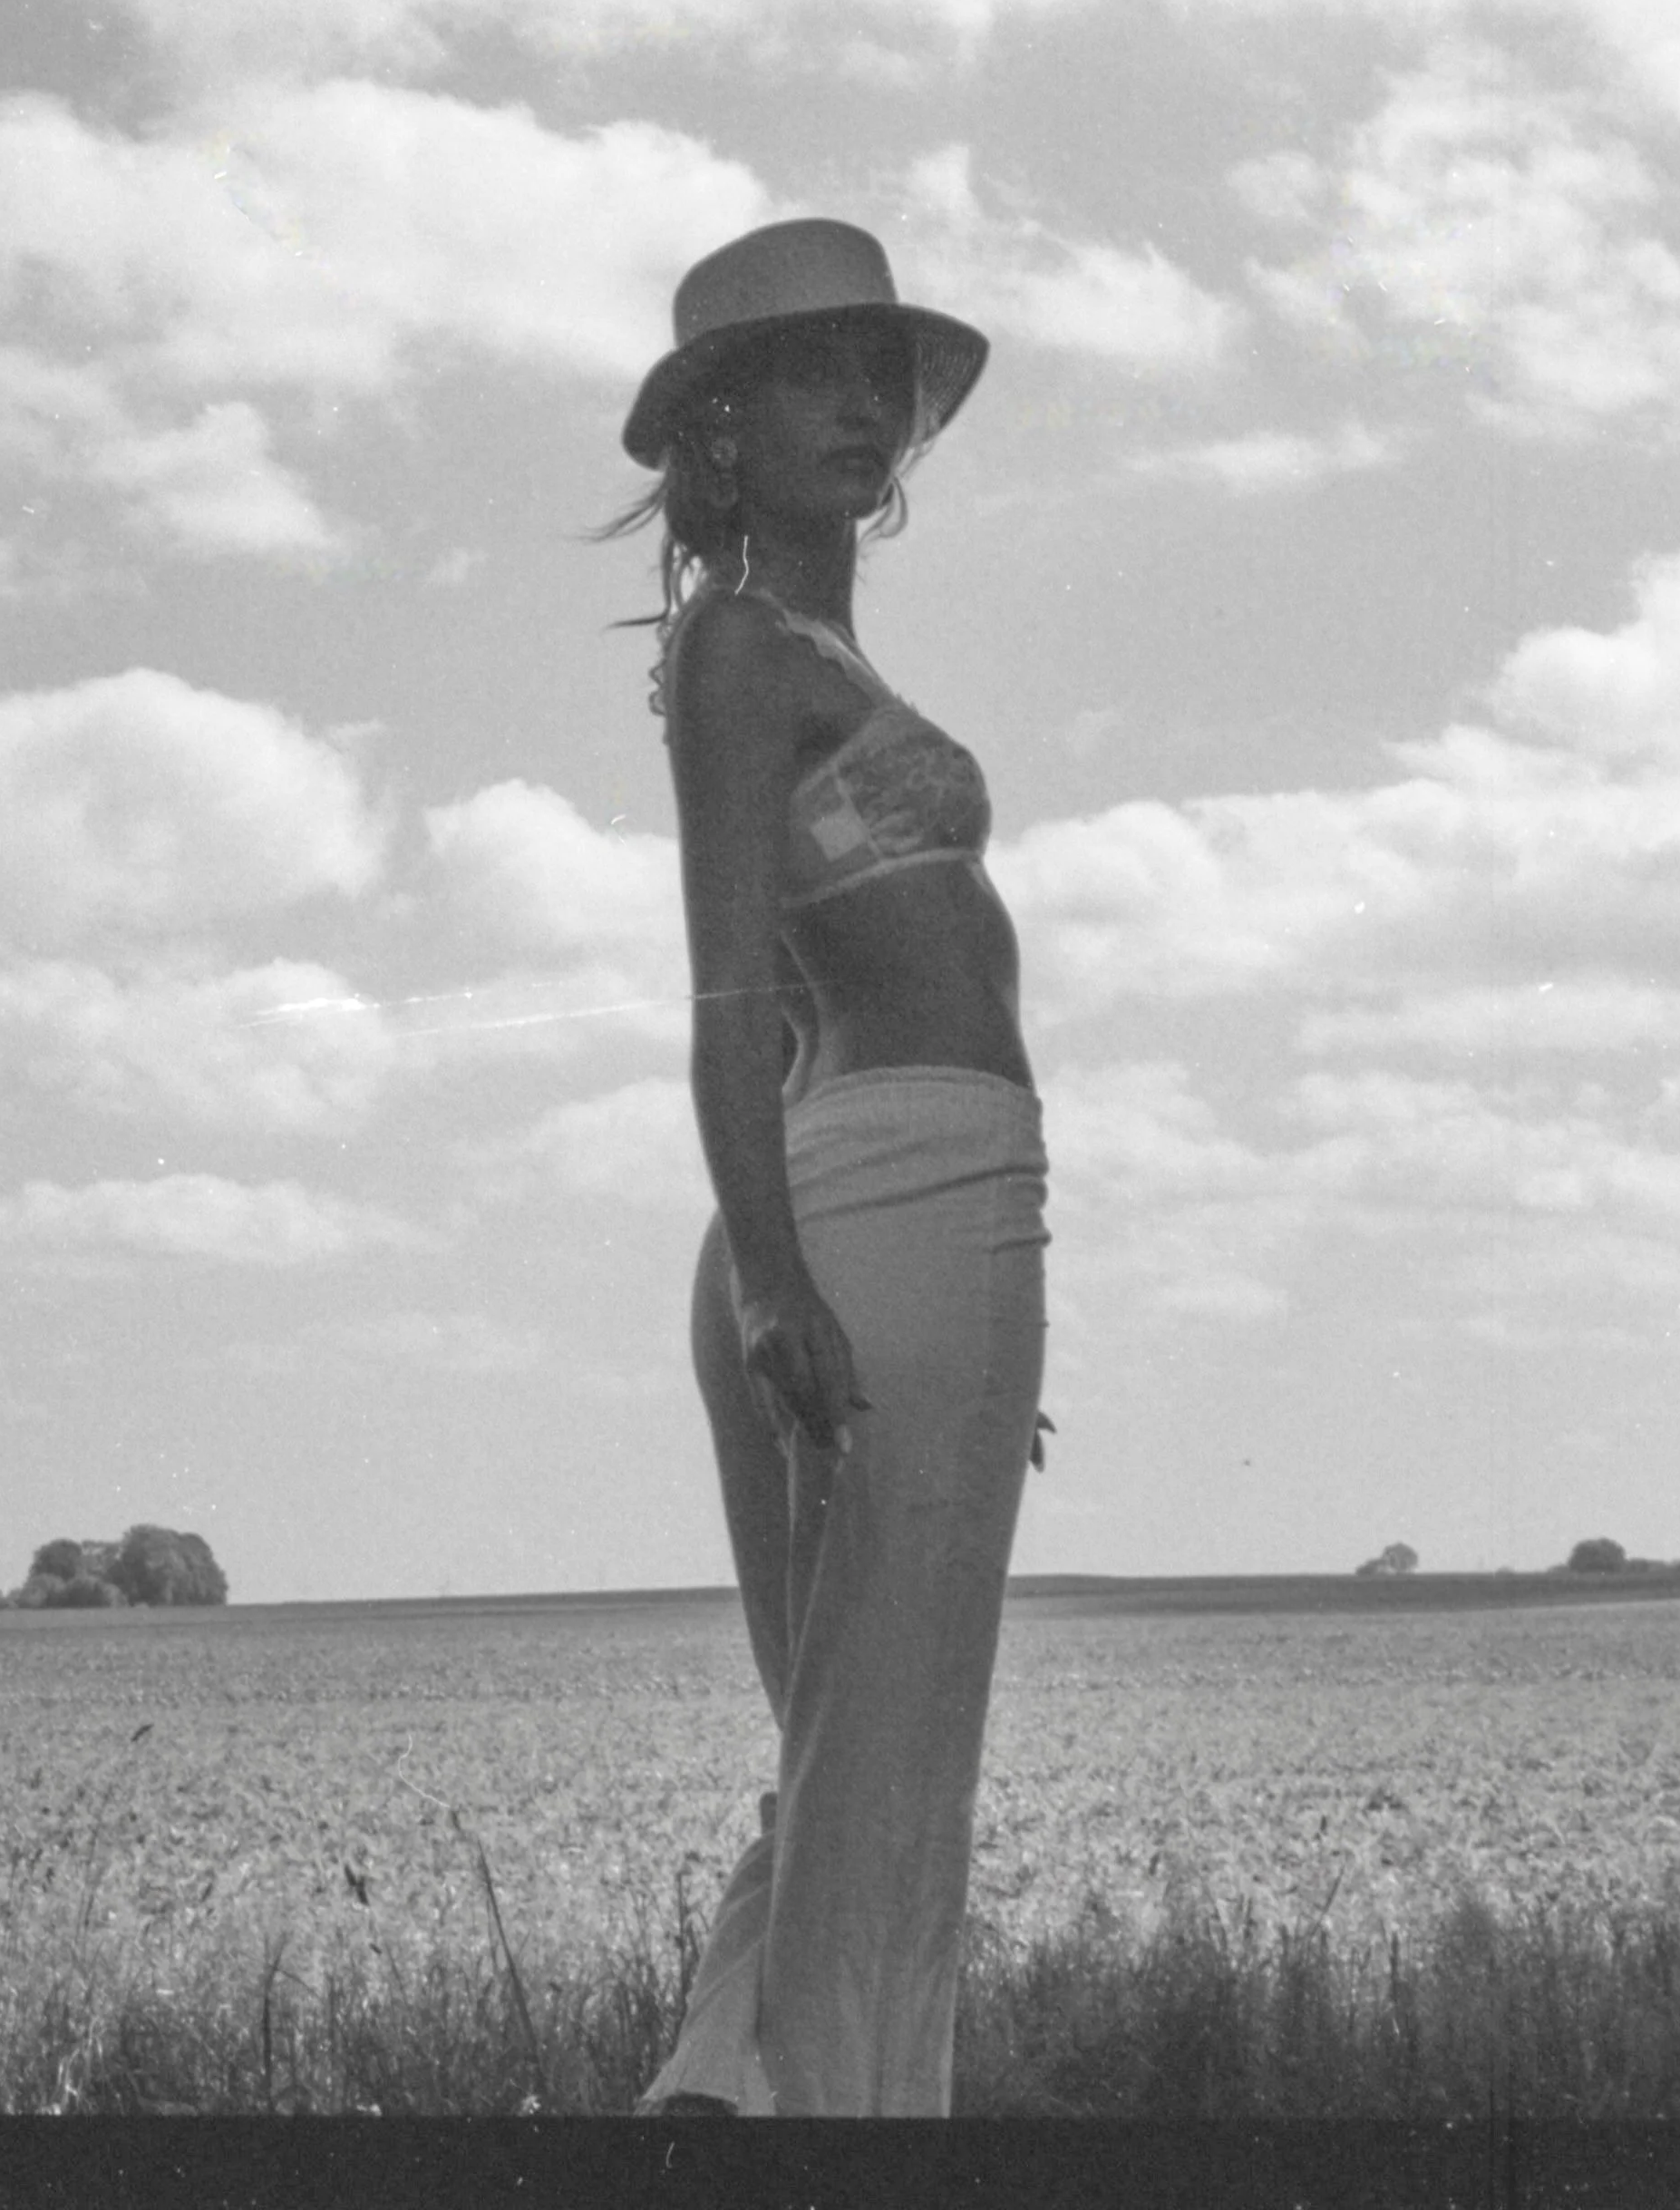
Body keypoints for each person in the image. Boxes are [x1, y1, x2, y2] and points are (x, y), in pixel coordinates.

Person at [609, 219, 1051, 2120]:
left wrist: (936, 1292)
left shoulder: (812, 648)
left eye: (882, 370)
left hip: (919, 1215)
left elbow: (796, 996)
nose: (865, 405)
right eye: (816, 370)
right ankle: (812, 2114)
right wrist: (792, 1277)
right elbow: (721, 993)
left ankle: (730, 2091)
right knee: (876, 1756)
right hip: (863, 1196)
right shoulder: (733, 650)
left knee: (864, 1746)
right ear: (720, 424)